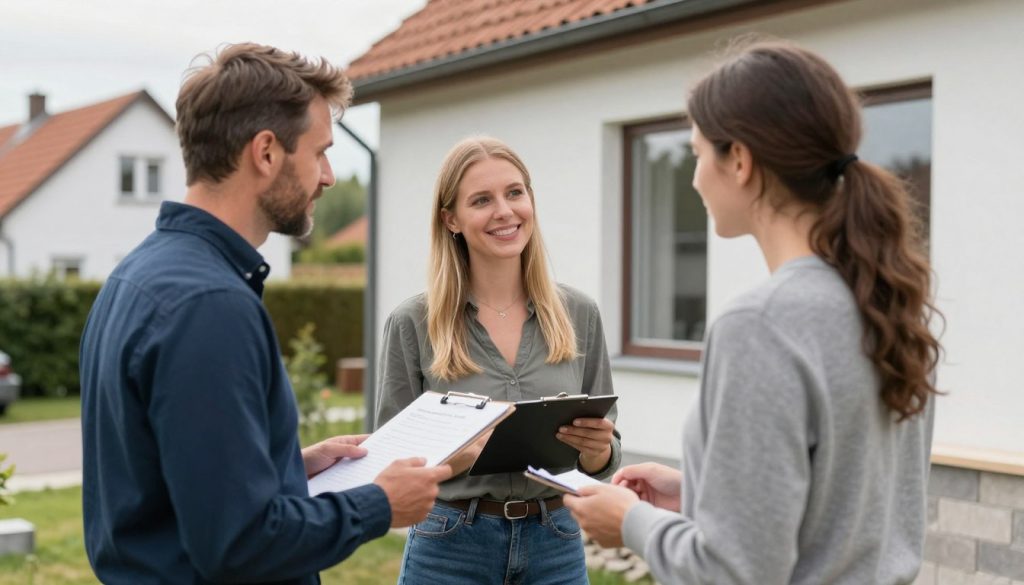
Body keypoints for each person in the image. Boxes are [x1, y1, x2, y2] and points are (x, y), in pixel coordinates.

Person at [564, 38, 942, 585]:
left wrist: (631, 523)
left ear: (738, 160)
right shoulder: (891, 304)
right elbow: (845, 508)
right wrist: (702, 493)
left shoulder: (761, 326)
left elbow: (734, 573)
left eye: (696, 154)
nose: (693, 177)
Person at [79, 43, 452, 584]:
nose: (327, 176)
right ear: (267, 152)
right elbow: (240, 543)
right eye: (320, 152)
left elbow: (165, 481)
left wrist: (287, 466)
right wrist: (379, 503)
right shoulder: (210, 306)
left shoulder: (137, 276)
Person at [375, 136, 621, 584]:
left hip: (556, 543)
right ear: (451, 219)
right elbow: (391, 464)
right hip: (450, 546)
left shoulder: (579, 314)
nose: (505, 211)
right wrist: (461, 454)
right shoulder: (412, 322)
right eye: (482, 200)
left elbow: (603, 456)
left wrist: (600, 449)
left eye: (514, 193)